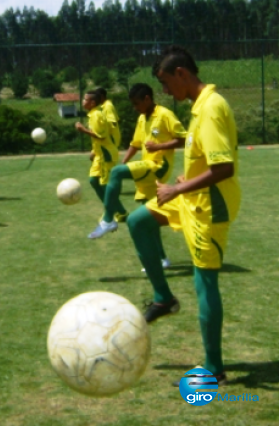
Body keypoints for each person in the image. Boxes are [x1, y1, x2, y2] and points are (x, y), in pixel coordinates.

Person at [127, 46, 240, 385]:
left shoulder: (212, 108)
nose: (163, 92)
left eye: (164, 82)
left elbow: (223, 167)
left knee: (204, 283)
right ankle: (163, 298)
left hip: (210, 206)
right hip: (192, 196)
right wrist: (184, 182)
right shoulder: (198, 107)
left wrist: (178, 189)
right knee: (138, 221)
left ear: (181, 74)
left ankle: (214, 368)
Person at [88, 83, 187, 273]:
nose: (135, 108)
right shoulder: (143, 118)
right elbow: (135, 144)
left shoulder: (165, 115)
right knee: (148, 219)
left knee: (115, 174)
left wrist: (158, 147)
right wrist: (124, 162)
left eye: (137, 103)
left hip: (158, 167)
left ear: (147, 99)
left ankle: (108, 219)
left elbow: (183, 138)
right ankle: (163, 259)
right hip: (147, 173)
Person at [75, 90, 118, 226]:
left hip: (106, 154)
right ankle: (110, 209)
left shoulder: (97, 115)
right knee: (93, 180)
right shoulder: (93, 114)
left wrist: (83, 130)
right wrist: (94, 150)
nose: (82, 101)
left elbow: (102, 136)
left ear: (92, 102)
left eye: (85, 99)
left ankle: (112, 212)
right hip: (100, 154)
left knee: (105, 185)